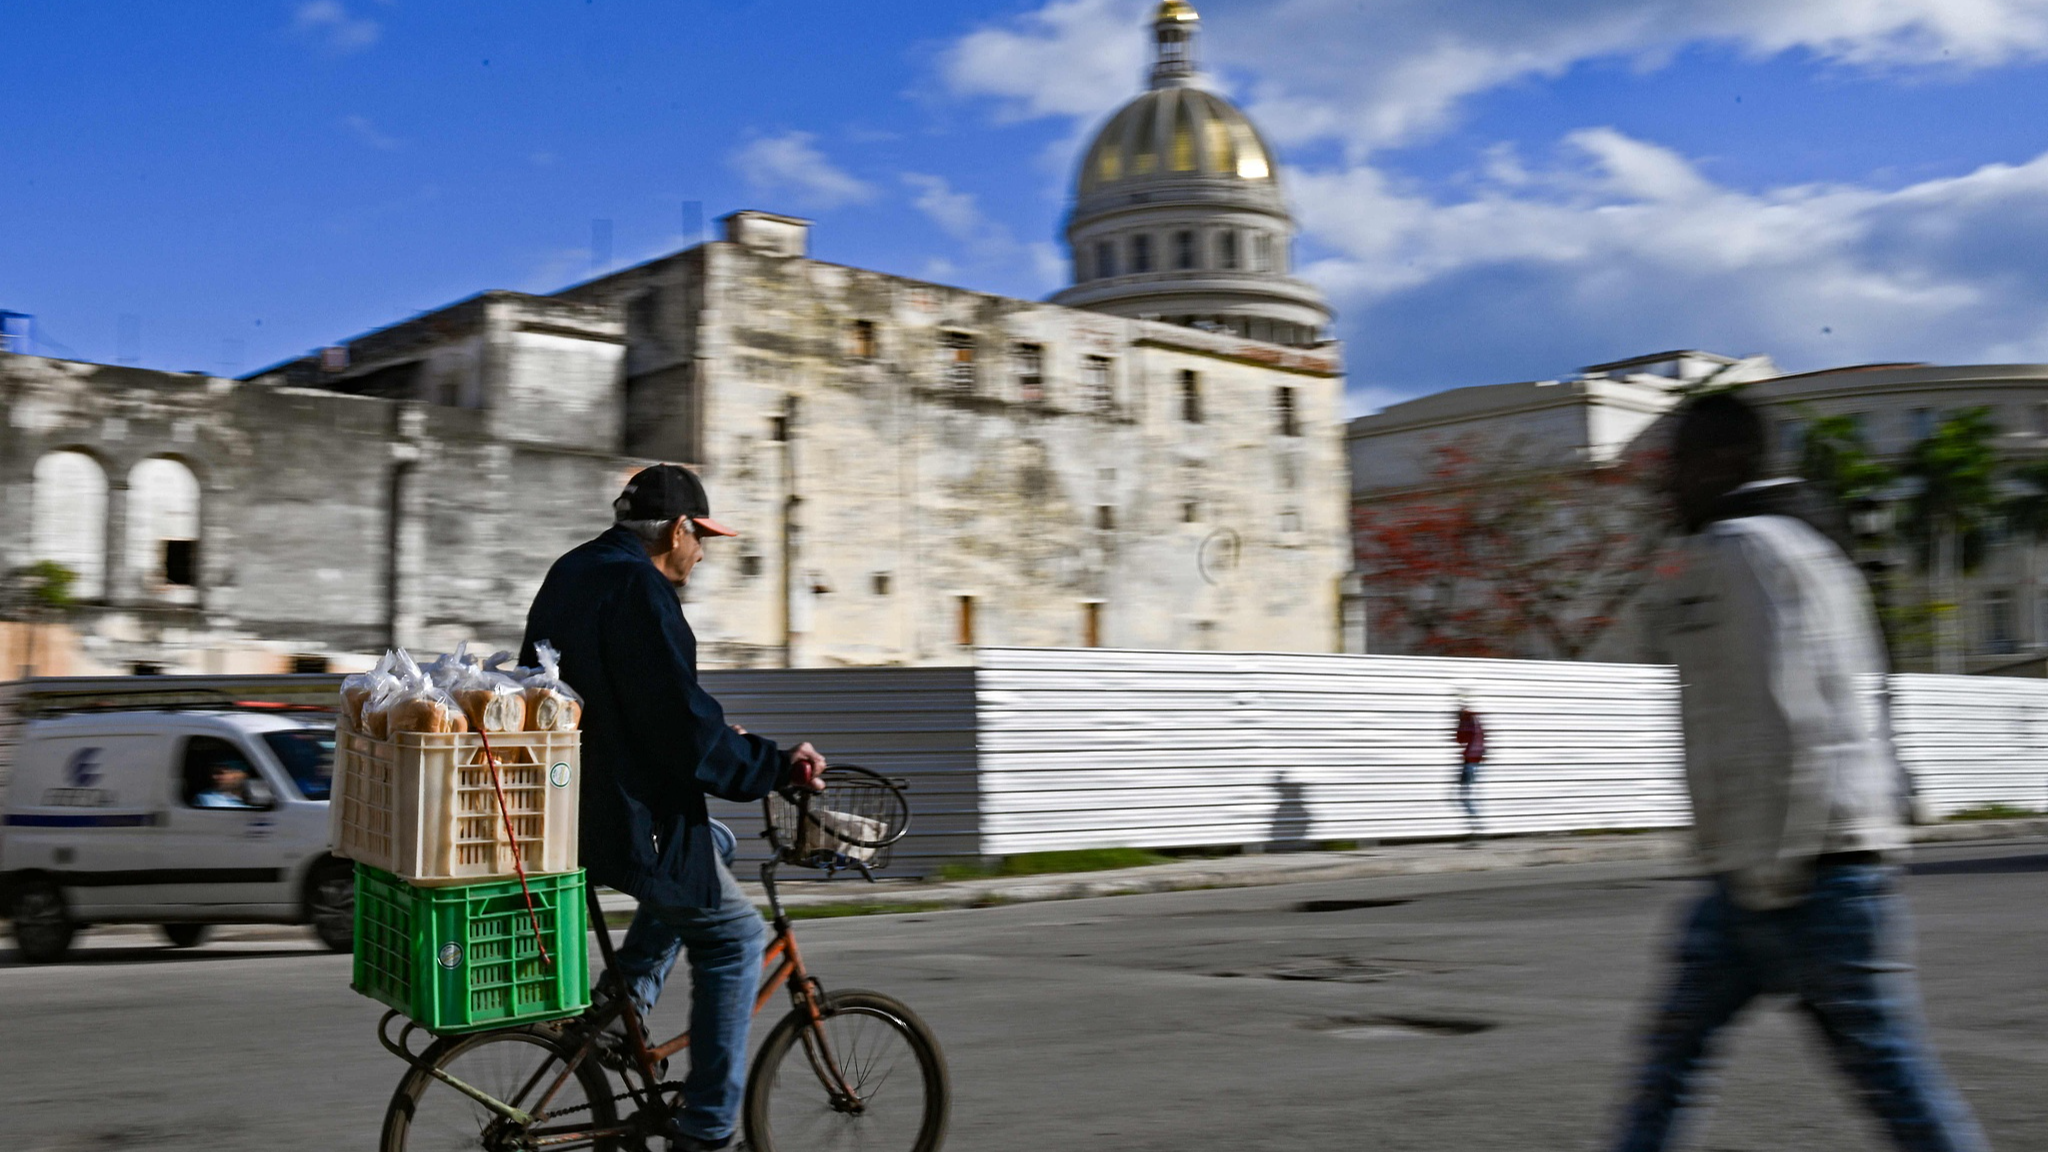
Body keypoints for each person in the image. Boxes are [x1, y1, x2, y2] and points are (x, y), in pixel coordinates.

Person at [1609, 393, 1987, 1152]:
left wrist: (1762, 880)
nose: (1666, 486)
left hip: (1792, 877)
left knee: (1685, 1065)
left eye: (1677, 466)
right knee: (1876, 1078)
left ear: (1728, 462)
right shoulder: (1809, 549)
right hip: (1813, 867)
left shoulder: (1741, 551)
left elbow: (1783, 722)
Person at [522, 463, 827, 1152]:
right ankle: (710, 1129)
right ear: (678, 528)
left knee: (712, 843)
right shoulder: (640, 587)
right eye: (702, 538)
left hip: (576, 799)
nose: (703, 552)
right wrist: (774, 767)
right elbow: (677, 728)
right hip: (625, 811)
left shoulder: (574, 569)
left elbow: (632, 702)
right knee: (735, 940)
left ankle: (618, 1009)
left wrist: (729, 742)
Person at [1451, 695, 1485, 843]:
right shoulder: (1474, 720)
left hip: (1470, 762)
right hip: (1472, 761)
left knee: (1463, 796)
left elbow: (1459, 739)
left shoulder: (1468, 720)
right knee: (1465, 796)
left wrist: (1458, 723)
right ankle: (1475, 826)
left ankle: (1476, 829)